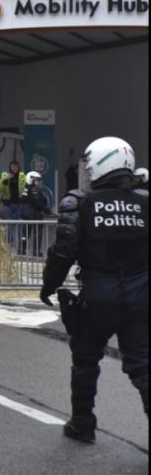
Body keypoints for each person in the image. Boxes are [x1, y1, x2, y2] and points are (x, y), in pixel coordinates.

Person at [40, 137, 148, 444]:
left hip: (98, 296)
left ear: (101, 164)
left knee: (86, 360)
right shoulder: (145, 201)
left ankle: (82, 423)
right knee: (143, 364)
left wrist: (49, 286)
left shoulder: (80, 201)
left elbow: (63, 252)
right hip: (141, 295)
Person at [21, 172, 54, 257]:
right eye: (37, 180)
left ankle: (21, 249)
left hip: (27, 214)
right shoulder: (33, 189)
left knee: (26, 233)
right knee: (37, 233)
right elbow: (38, 202)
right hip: (34, 214)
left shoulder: (27, 188)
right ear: (31, 180)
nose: (39, 182)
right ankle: (36, 251)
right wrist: (48, 211)